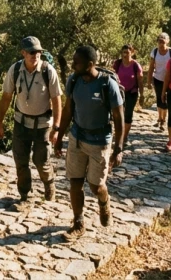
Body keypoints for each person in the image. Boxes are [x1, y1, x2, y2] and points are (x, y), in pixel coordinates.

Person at [54, 46, 125, 239]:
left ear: (90, 65)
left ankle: (104, 201)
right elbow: (68, 110)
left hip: (99, 142)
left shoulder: (106, 85)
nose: (72, 64)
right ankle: (78, 223)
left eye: (77, 62)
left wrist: (118, 149)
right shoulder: (74, 80)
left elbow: (119, 118)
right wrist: (59, 138)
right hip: (77, 138)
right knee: (75, 182)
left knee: (96, 186)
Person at [0, 36, 63, 204]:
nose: (36, 55)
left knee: (41, 161)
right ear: (23, 53)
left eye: (39, 51)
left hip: (42, 126)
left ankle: (49, 184)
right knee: (21, 161)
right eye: (32, 52)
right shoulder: (15, 70)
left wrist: (56, 128)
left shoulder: (48, 71)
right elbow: (6, 98)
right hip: (21, 124)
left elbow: (57, 100)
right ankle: (25, 194)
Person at [113, 45, 144, 145]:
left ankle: (124, 137)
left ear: (132, 53)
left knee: (128, 115)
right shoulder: (117, 64)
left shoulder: (136, 65)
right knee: (118, 114)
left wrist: (142, 94)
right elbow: (112, 77)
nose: (125, 54)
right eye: (123, 52)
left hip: (132, 92)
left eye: (127, 52)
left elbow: (140, 81)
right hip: (119, 92)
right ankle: (118, 134)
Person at [146, 33, 171, 131]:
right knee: (159, 98)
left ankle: (164, 120)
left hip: (169, 80)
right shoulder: (154, 52)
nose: (161, 40)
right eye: (160, 39)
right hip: (158, 79)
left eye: (164, 39)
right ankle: (159, 118)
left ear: (168, 41)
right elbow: (151, 67)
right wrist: (149, 81)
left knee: (165, 99)